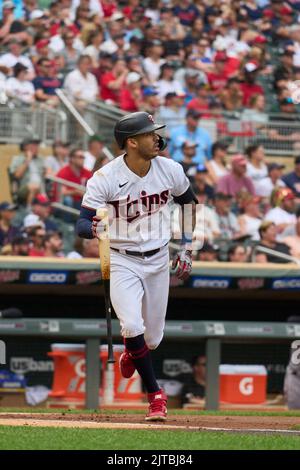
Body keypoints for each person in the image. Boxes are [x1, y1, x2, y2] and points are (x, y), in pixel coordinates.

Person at [76, 111, 197, 421]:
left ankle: (133, 351)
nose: (156, 137)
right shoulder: (105, 177)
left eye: (156, 132)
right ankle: (155, 394)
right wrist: (93, 227)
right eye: (148, 134)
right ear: (131, 142)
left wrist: (186, 247)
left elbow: (188, 203)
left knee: (151, 339)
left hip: (158, 258)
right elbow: (80, 221)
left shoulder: (169, 169)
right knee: (131, 326)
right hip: (121, 258)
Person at [9, 138, 45, 206]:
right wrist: (28, 160)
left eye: (37, 145)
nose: (37, 147)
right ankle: (29, 210)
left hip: (41, 188)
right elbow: (17, 175)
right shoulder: (17, 159)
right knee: (34, 186)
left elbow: (47, 173)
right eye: (34, 145)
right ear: (25, 147)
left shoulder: (41, 159)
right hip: (23, 188)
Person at [55, 147, 92, 211]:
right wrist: (75, 192)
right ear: (72, 159)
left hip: (81, 201)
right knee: (68, 200)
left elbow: (92, 190)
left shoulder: (87, 173)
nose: (83, 159)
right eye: (80, 157)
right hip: (66, 203)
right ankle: (68, 221)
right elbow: (62, 192)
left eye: (83, 157)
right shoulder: (63, 172)